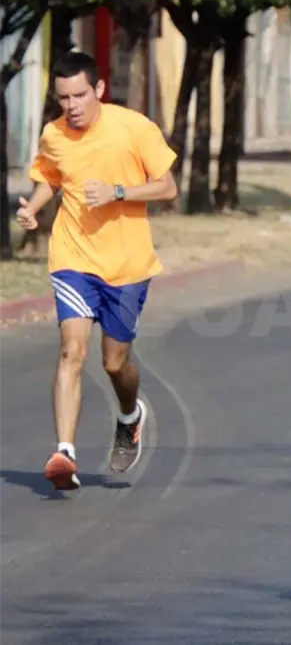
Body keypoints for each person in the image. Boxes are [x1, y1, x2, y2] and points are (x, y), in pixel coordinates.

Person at [13, 52, 178, 491]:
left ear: (99, 90)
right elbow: (51, 176)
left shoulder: (133, 128)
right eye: (63, 97)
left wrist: (118, 191)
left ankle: (129, 415)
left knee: (114, 362)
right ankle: (64, 451)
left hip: (126, 264)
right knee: (72, 350)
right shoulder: (54, 134)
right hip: (73, 258)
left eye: (80, 95)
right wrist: (33, 206)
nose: (72, 105)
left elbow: (168, 186)